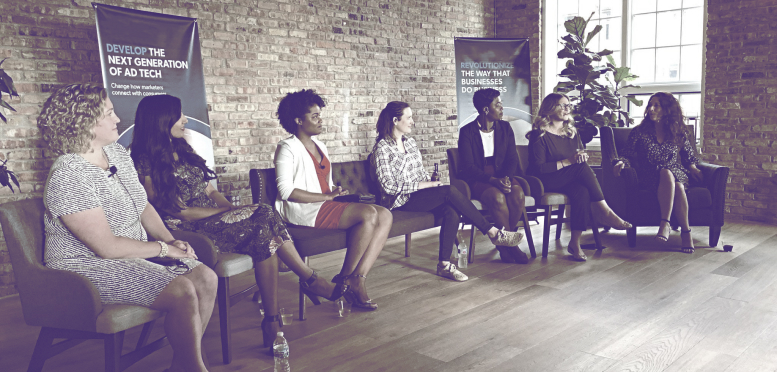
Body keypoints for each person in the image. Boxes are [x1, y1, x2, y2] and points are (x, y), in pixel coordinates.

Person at [129, 94, 342, 349]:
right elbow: (178, 211)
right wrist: (224, 212)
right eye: (179, 115)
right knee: (263, 216)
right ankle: (307, 282)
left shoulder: (181, 148)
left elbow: (208, 189)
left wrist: (228, 207)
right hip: (185, 229)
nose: (185, 119)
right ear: (162, 120)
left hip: (213, 219)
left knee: (264, 231)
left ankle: (273, 319)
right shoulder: (143, 159)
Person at [37, 84, 217, 372]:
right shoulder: (68, 174)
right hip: (83, 268)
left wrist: (173, 241)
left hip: (129, 253)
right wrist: (163, 249)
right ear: (86, 122)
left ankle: (183, 364)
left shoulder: (117, 153)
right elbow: (106, 248)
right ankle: (194, 368)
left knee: (206, 277)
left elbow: (143, 205)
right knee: (182, 289)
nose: (118, 119)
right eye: (109, 113)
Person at [371, 101, 525, 281]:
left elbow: (420, 172)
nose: (413, 121)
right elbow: (388, 187)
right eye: (409, 117)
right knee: (449, 191)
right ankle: (493, 232)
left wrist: (430, 182)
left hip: (418, 196)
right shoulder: (382, 148)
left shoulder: (410, 143)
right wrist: (424, 186)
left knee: (451, 210)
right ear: (396, 120)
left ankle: (444, 265)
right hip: (398, 201)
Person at [274, 89, 391, 310]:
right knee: (368, 214)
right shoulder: (286, 147)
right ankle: (346, 278)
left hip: (323, 203)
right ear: (299, 120)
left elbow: (320, 182)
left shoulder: (321, 147)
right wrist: (326, 196)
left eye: (320, 115)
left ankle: (359, 278)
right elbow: (285, 191)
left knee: (385, 215)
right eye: (314, 116)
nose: (320, 120)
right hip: (302, 209)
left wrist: (333, 191)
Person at [527, 93, 631, 261]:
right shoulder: (539, 135)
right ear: (549, 108)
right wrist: (569, 161)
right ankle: (604, 211)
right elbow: (538, 168)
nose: (567, 108)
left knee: (581, 191)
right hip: (545, 181)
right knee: (581, 168)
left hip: (568, 179)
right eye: (562, 105)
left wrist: (580, 157)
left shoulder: (571, 132)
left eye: (568, 105)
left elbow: (578, 156)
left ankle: (575, 243)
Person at [612, 92, 702, 253]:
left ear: (667, 109)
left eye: (656, 106)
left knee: (669, 173)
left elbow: (689, 157)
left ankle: (664, 223)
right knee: (678, 187)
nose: (651, 109)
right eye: (650, 105)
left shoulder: (679, 131)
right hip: (651, 176)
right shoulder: (639, 132)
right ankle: (686, 232)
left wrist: (694, 167)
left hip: (677, 172)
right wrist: (621, 162)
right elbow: (627, 154)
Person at [457, 88, 530, 263]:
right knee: (497, 197)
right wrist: (492, 180)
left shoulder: (505, 127)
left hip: (503, 174)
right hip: (480, 178)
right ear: (485, 109)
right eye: (497, 104)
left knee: (518, 194)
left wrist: (505, 178)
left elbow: (512, 158)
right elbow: (468, 166)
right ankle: (510, 246)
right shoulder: (467, 132)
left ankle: (504, 244)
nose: (502, 108)